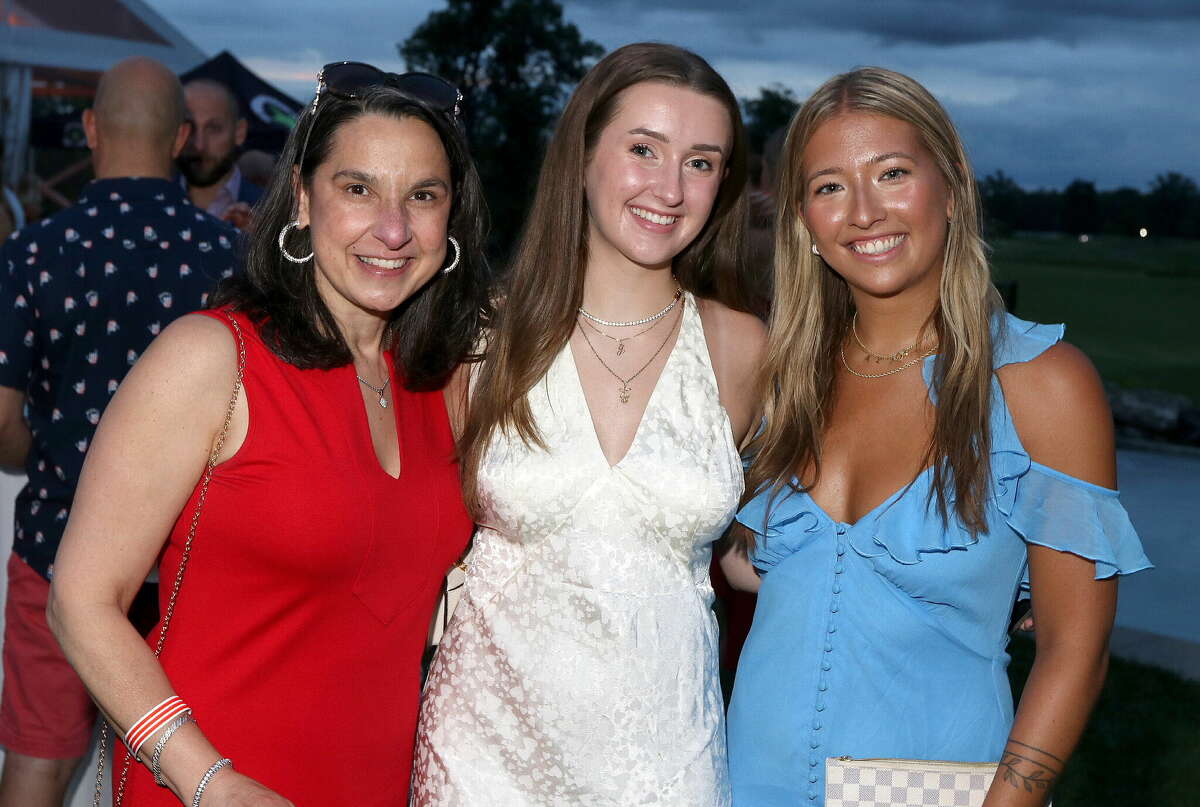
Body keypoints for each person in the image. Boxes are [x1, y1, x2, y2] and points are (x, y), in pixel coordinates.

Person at [47, 63, 487, 805]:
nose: (392, 228)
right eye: (357, 189)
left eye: (423, 195)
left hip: (373, 784)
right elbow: (80, 600)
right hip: (208, 782)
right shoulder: (213, 357)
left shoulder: (444, 380)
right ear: (302, 200)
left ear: (451, 219)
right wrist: (208, 780)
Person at [724, 67, 1151, 806]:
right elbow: (741, 563)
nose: (863, 211)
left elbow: (1073, 654)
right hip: (744, 781)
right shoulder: (781, 381)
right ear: (803, 220)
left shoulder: (1041, 385)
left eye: (891, 173)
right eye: (829, 186)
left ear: (951, 186)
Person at [412, 43, 766, 805]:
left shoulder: (744, 348)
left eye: (702, 163)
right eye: (644, 149)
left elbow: (776, 539)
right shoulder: (481, 337)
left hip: (666, 760)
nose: (669, 188)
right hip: (485, 755)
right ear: (582, 157)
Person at [0, 57, 238, 807]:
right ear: (178, 139)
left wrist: (50, 454)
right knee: (186, 764)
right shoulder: (228, 257)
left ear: (92, 129)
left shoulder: (32, 252)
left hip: (58, 551)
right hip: (190, 561)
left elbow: (2, 420)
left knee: (38, 759)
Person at [178, 79, 263, 229]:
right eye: (190, 127)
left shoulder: (272, 210)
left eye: (213, 129)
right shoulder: (151, 202)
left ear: (239, 132)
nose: (199, 145)